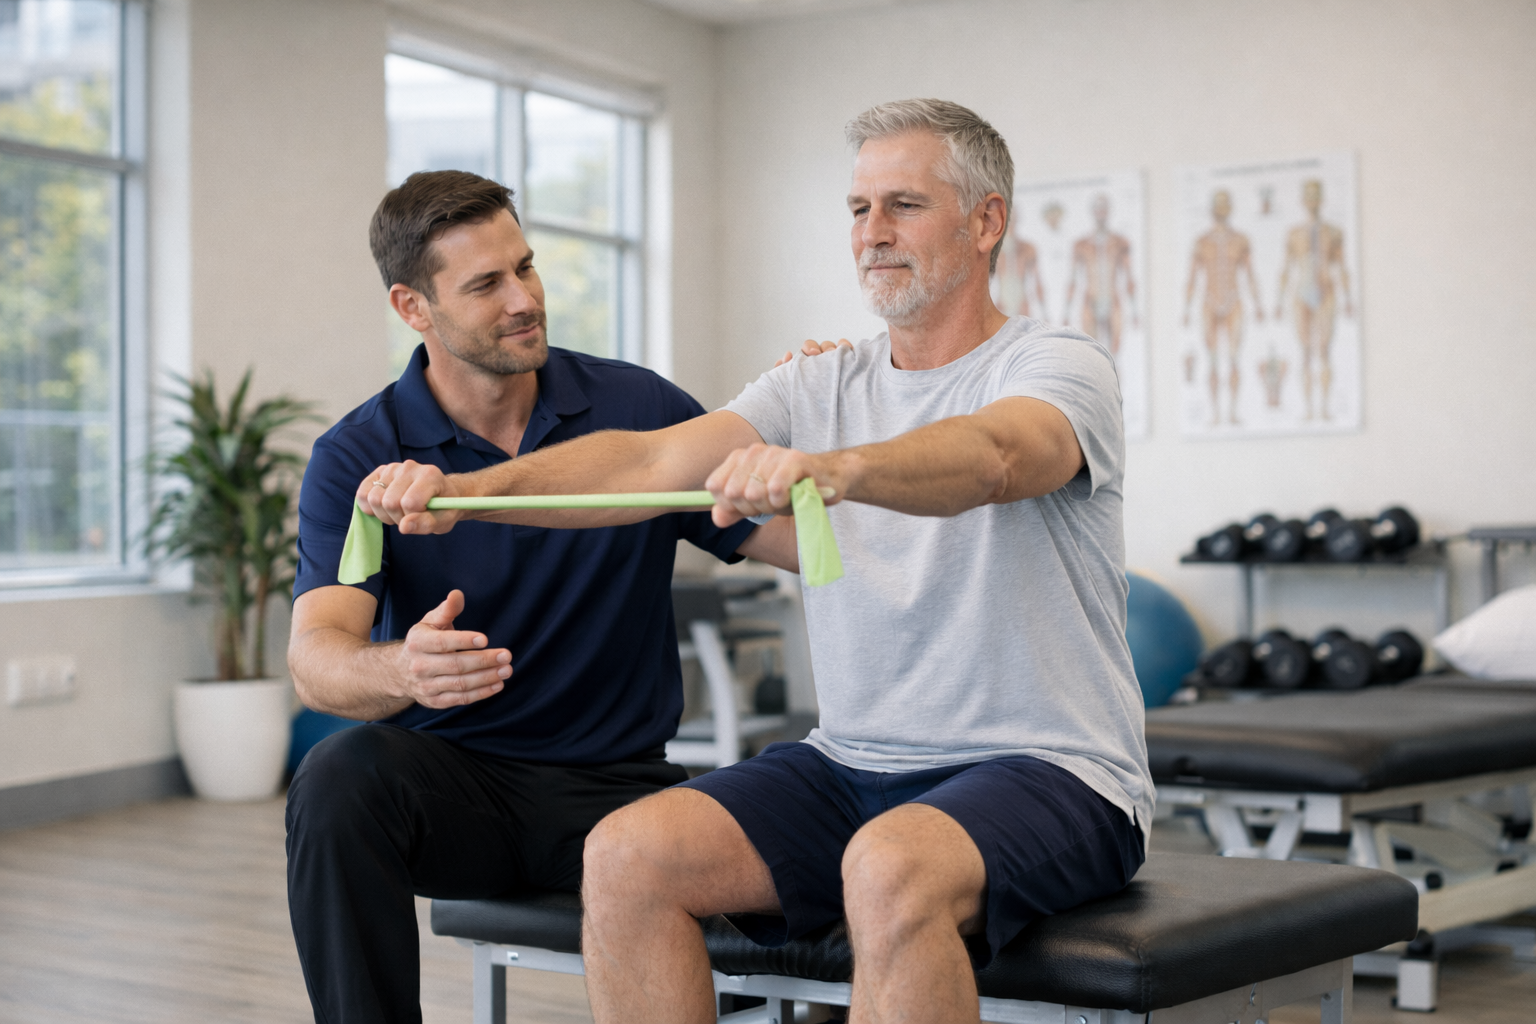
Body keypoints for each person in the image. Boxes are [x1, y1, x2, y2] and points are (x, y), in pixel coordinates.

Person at [357, 100, 1151, 1024]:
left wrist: (838, 468)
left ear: (986, 222)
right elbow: (651, 460)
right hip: (850, 763)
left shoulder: (1055, 364)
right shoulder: (814, 384)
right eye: (858, 209)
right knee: (623, 855)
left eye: (904, 205)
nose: (873, 234)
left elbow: (1000, 457)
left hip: (1052, 768)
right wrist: (477, 490)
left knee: (891, 864)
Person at [283, 170, 797, 1024]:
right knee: (337, 778)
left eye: (525, 267)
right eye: (486, 284)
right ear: (414, 308)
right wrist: (402, 669)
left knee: (805, 845)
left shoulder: (636, 408)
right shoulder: (359, 454)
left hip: (619, 787)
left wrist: (820, 424)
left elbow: (792, 542)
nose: (524, 299)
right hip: (459, 794)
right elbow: (316, 661)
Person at [1183, 189, 1263, 425]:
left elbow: (1249, 274)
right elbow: (1192, 277)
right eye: (1218, 205)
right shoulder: (1202, 242)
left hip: (1233, 301)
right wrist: (1186, 309)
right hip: (1209, 301)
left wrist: (1258, 304)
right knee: (1214, 360)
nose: (1221, 209)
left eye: (1225, 204)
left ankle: (1233, 412)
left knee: (1234, 358)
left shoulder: (1240, 240)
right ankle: (1216, 413)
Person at [1275, 178, 1353, 421]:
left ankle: (1325, 408)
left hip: (1326, 291)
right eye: (1308, 196)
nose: (1312, 200)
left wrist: (1349, 299)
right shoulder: (1294, 234)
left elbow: (1342, 267)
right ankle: (1309, 409)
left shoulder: (1334, 233)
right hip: (1301, 294)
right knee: (1305, 352)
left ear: (1322, 199)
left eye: (1315, 195)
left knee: (1325, 350)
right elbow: (1286, 269)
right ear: (1302, 200)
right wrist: (1278, 302)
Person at [1064, 192, 1137, 354]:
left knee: (1114, 356)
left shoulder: (1120, 243)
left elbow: (1129, 278)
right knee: (1092, 355)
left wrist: (1135, 312)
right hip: (1091, 299)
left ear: (1108, 211)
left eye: (1103, 209)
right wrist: (1066, 313)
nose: (1101, 213)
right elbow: (1073, 280)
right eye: (1098, 209)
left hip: (1112, 299)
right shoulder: (1081, 245)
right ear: (1093, 212)